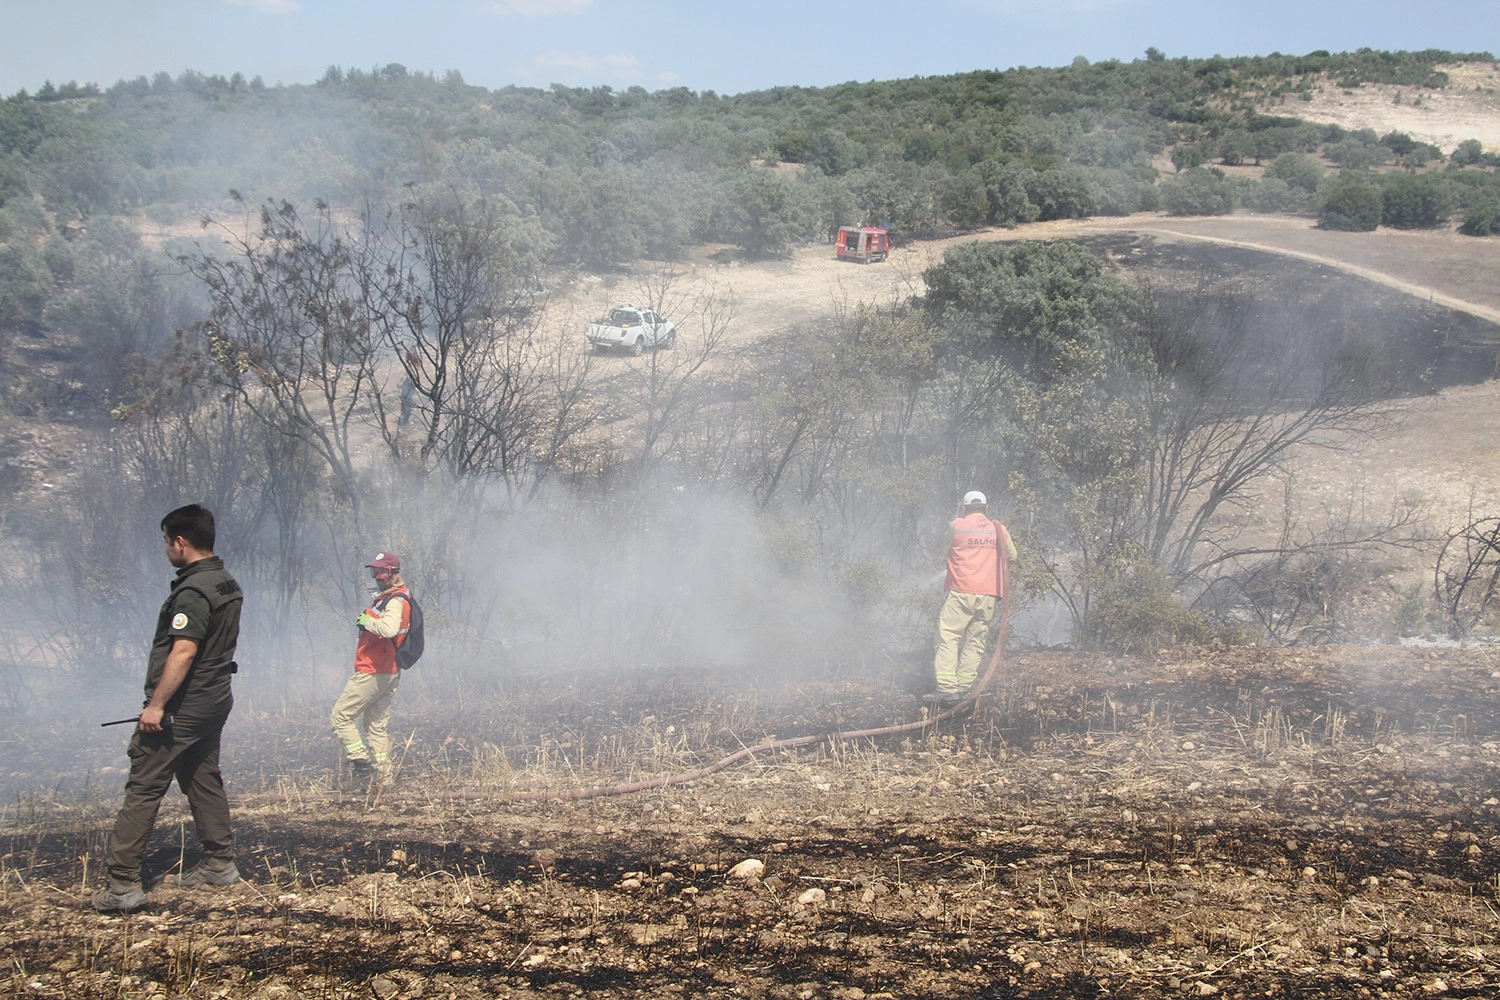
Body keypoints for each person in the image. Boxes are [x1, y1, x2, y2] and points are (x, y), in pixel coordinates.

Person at [94, 504, 244, 914]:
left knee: (144, 785)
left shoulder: (193, 591)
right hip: (215, 697)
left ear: (180, 542)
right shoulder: (225, 581)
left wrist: (156, 707)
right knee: (201, 775)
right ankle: (219, 863)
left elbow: (183, 651)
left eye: (166, 541)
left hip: (185, 704)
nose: (166, 549)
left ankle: (122, 884)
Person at [329, 551, 412, 785]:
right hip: (389, 671)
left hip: (373, 671)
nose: (377, 577)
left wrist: (366, 621)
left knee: (341, 717)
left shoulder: (396, 601)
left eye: (382, 572)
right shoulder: (393, 598)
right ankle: (385, 777)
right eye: (375, 572)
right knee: (375, 727)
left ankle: (362, 765)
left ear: (394, 573)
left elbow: (388, 630)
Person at [930, 490, 1017, 705]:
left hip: (961, 591)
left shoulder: (957, 525)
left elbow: (942, 548)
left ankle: (948, 689)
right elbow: (1012, 556)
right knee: (976, 641)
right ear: (986, 508)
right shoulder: (1000, 529)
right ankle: (965, 687)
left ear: (965, 509)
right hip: (988, 595)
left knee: (949, 636)